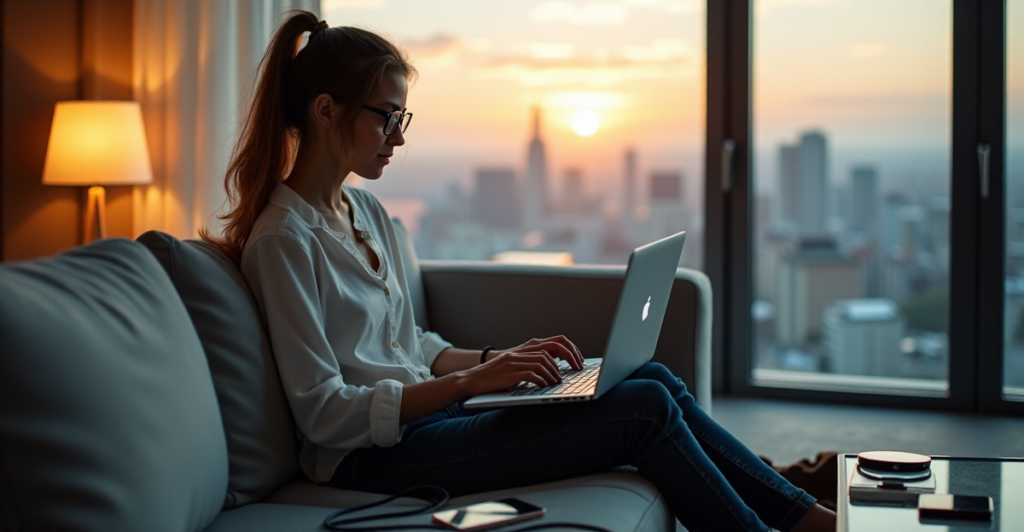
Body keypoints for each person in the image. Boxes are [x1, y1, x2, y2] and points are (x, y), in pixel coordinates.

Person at [201, 10, 837, 532]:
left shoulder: (362, 208)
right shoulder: (283, 241)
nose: (398, 137)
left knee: (651, 376)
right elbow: (324, 414)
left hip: (431, 421)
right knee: (641, 410)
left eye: (403, 119)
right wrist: (473, 382)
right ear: (326, 110)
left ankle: (807, 518)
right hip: (369, 460)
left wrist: (499, 359)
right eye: (387, 117)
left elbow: (407, 345)